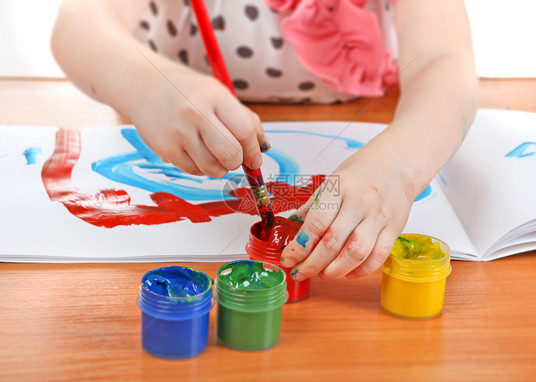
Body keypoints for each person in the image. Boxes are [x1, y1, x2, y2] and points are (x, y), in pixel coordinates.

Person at [51, 0, 478, 281]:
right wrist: (145, 86)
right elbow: (78, 23)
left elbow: (445, 60)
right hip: (171, 125)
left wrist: (398, 169)